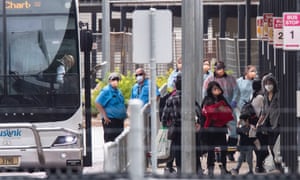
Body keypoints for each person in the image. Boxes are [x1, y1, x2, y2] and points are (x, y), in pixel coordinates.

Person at [202, 61, 239, 161]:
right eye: (218, 68)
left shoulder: (231, 79)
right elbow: (205, 94)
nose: (220, 71)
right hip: (215, 111)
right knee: (218, 134)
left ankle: (230, 152)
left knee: (233, 132)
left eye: (222, 68)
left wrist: (234, 102)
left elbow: (236, 91)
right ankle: (218, 155)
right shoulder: (209, 80)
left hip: (227, 109)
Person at [200, 81, 233, 176]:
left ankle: (224, 168)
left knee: (223, 148)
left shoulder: (222, 99)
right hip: (211, 129)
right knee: (211, 149)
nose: (217, 90)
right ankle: (210, 168)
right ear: (210, 90)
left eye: (218, 88)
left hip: (221, 128)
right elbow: (205, 114)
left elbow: (228, 110)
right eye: (214, 89)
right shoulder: (207, 100)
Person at [255, 74, 281, 173]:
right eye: (266, 83)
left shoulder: (278, 95)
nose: (268, 85)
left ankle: (278, 163)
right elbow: (263, 112)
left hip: (277, 123)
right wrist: (259, 123)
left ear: (274, 84)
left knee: (276, 144)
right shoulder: (265, 96)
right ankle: (276, 162)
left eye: (270, 83)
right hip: (269, 124)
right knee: (270, 145)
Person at [95, 72, 127, 143]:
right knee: (110, 141)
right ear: (109, 81)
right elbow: (98, 103)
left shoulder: (118, 91)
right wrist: (104, 116)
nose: (115, 81)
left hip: (119, 121)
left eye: (117, 80)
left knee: (119, 140)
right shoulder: (106, 91)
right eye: (113, 79)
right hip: (110, 121)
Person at [161, 73, 183, 174]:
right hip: (186, 126)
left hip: (174, 127)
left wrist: (165, 125)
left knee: (174, 147)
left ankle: (173, 166)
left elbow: (165, 113)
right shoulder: (188, 97)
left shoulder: (171, 97)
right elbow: (197, 110)